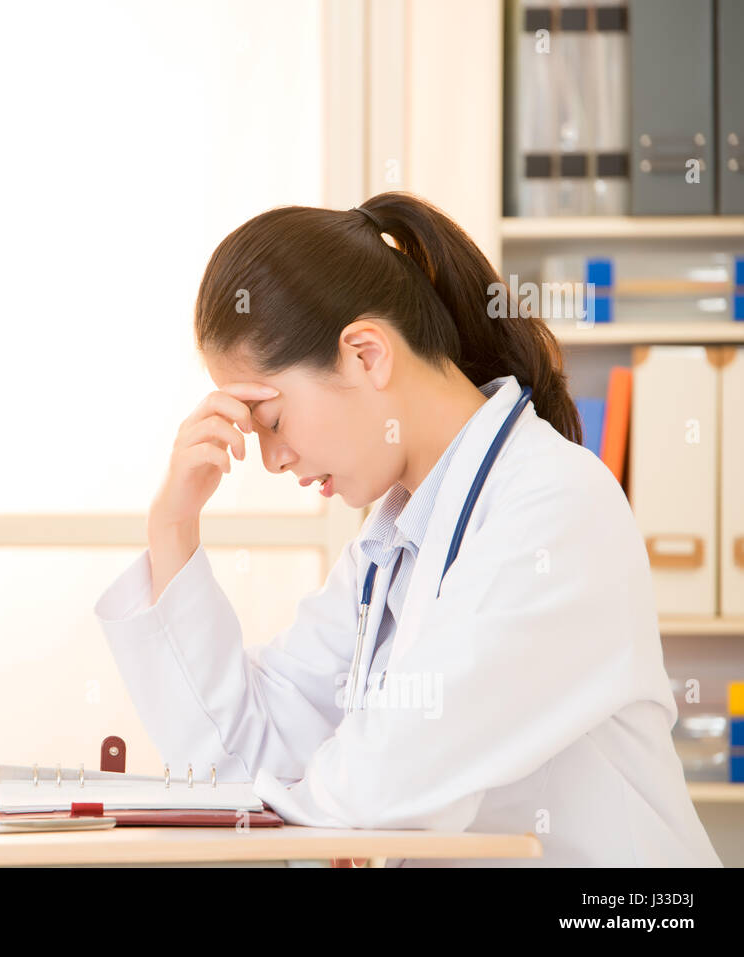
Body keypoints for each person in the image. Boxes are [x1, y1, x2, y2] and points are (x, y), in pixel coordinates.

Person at [92, 192, 722, 866]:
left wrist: (273, 804)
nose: (272, 459)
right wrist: (175, 527)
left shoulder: (556, 505)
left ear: (366, 353)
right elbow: (246, 750)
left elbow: (384, 781)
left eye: (272, 420)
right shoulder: (388, 546)